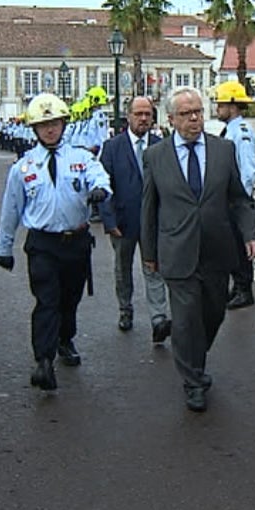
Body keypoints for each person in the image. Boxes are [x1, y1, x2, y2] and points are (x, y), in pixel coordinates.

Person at [141, 87, 255, 412]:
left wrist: (250, 233)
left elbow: (238, 198)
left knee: (213, 313)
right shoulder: (156, 155)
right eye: (186, 114)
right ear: (171, 120)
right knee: (185, 318)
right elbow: (149, 207)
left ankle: (195, 357)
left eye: (198, 112)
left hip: (216, 249)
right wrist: (148, 253)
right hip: (177, 250)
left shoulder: (224, 149)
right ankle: (193, 380)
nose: (194, 119)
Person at [0, 92, 111, 391]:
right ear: (34, 128)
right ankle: (43, 361)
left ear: (63, 123)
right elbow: (11, 209)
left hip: (76, 241)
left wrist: (99, 190)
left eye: (55, 123)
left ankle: (64, 339)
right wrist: (3, 247)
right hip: (43, 244)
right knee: (46, 300)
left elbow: (100, 176)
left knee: (70, 298)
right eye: (43, 124)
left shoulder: (81, 157)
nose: (50, 129)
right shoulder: (24, 167)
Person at [99, 96, 170, 341]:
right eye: (138, 114)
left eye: (147, 114)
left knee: (154, 268)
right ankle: (125, 309)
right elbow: (104, 185)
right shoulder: (112, 147)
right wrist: (109, 221)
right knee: (123, 268)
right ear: (127, 116)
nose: (143, 119)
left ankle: (159, 318)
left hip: (154, 223)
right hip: (123, 221)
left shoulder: (162, 145)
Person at [212, 80, 255, 310]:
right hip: (228, 198)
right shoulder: (230, 130)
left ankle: (244, 289)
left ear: (232, 105)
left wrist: (241, 198)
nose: (217, 108)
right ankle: (237, 286)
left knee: (241, 247)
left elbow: (248, 169)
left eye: (220, 104)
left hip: (237, 199)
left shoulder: (241, 132)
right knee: (232, 245)